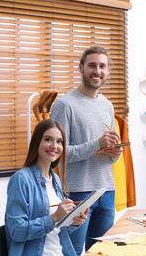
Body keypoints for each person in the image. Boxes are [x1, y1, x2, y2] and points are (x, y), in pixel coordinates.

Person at [50, 45, 123, 254]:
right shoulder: (65, 105)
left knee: (102, 252)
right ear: (81, 67)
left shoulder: (107, 105)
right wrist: (97, 144)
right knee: (71, 252)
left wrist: (115, 153)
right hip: (77, 192)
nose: (97, 71)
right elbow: (59, 155)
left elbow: (109, 153)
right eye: (92, 65)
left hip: (107, 191)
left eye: (102, 66)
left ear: (108, 71)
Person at [5, 119, 89, 256]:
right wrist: (55, 217)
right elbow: (16, 231)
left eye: (59, 141)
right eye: (48, 139)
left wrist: (73, 222)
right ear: (37, 142)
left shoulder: (54, 179)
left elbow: (56, 230)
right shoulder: (21, 179)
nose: (54, 146)